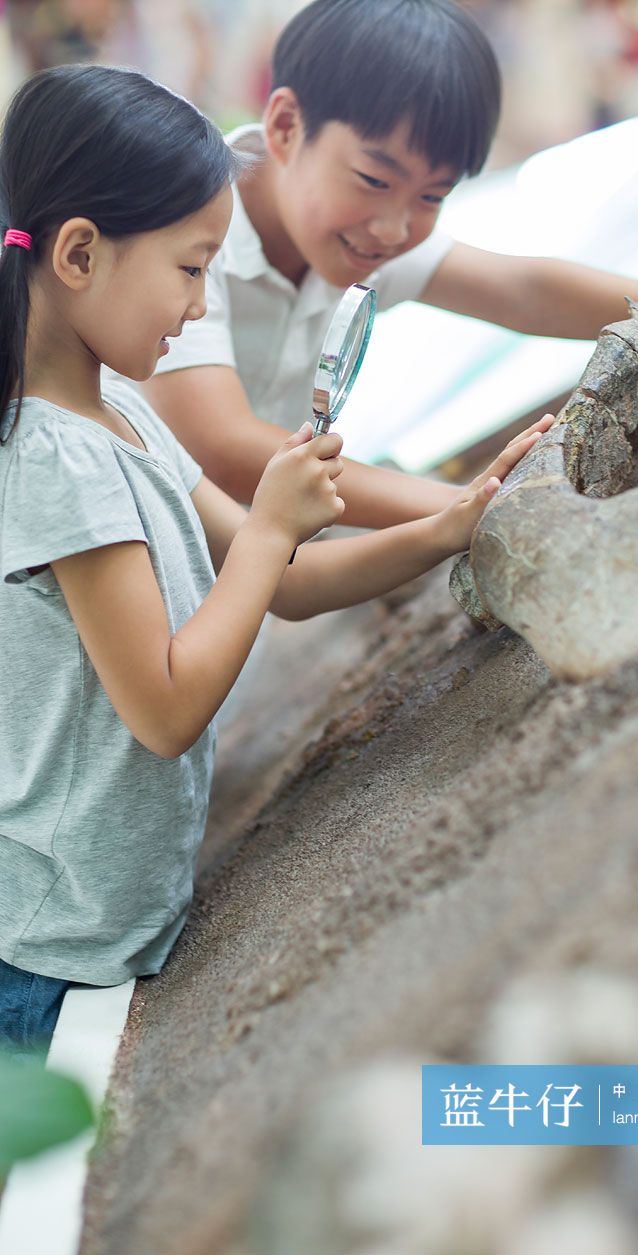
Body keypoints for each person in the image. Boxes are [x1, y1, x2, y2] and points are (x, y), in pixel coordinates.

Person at [0, 63, 550, 1057]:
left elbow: (284, 589)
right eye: (190, 266)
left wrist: (449, 525)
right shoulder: (53, 461)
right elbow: (165, 709)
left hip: (102, 932)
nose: (200, 303)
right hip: (44, 961)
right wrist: (265, 529)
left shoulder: (119, 409)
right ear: (79, 253)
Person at [137, 0, 638, 521]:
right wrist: (479, 505)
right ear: (287, 126)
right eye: (375, 179)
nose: (394, 226)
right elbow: (225, 444)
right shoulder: (184, 229)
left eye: (432, 195)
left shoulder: (346, 223)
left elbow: (523, 289)